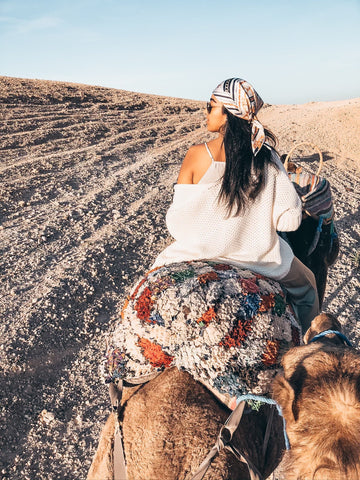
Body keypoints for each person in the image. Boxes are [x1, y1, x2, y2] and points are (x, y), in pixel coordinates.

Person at [151, 77, 319, 331]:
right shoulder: (267, 157)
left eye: (210, 107)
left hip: (198, 255)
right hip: (261, 261)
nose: (206, 112)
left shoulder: (197, 154)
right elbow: (290, 221)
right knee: (309, 287)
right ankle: (312, 344)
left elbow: (177, 223)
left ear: (228, 114)